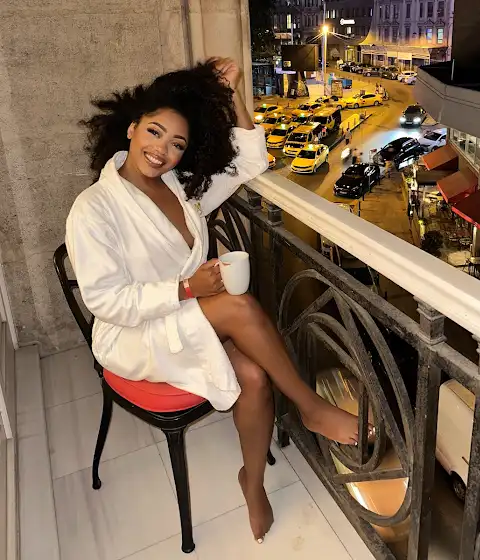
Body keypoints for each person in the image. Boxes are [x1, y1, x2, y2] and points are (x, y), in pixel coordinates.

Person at [66, 58, 360, 544]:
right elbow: (105, 301)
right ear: (132, 127)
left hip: (186, 313)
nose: (162, 150)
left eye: (177, 144)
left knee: (254, 377)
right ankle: (309, 405)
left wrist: (232, 94)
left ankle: (253, 482)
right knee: (238, 305)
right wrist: (186, 289)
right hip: (133, 334)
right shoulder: (94, 208)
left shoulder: (179, 188)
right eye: (154, 133)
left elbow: (250, 163)